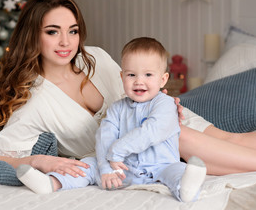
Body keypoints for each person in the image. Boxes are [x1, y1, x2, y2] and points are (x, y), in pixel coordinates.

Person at [0, 0, 256, 182]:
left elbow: (138, 89)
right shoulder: (34, 101)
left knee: (233, 139)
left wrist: (165, 103)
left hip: (165, 125)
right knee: (183, 139)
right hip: (140, 155)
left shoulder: (96, 58)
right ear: (33, 37)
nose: (66, 42)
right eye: (53, 32)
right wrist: (40, 160)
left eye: (72, 31)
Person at [15, 37, 207, 202]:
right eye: (131, 75)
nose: (139, 81)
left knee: (178, 170)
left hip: (161, 167)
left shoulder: (165, 105)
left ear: (163, 79)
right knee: (88, 165)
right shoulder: (117, 108)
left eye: (148, 75)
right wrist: (106, 168)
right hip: (124, 169)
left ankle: (186, 188)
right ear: (122, 76)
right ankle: (52, 182)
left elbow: (150, 132)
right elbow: (104, 136)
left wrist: (117, 152)